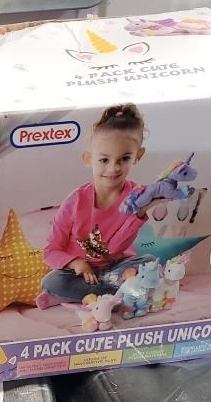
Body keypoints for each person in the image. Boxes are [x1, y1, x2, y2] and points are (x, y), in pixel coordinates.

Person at [36, 103, 165, 308]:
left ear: (138, 156)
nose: (113, 168)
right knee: (51, 281)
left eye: (124, 158)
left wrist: (140, 212)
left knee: (149, 262)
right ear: (88, 159)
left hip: (117, 267)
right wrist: (76, 263)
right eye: (104, 160)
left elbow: (113, 249)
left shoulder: (136, 196)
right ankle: (116, 294)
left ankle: (88, 297)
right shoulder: (75, 201)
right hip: (78, 273)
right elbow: (51, 251)